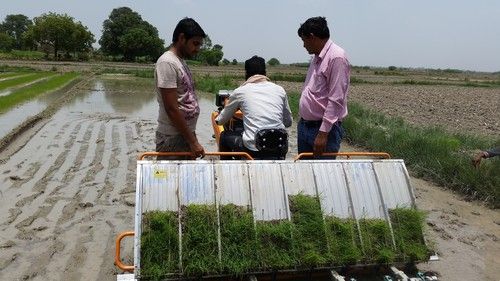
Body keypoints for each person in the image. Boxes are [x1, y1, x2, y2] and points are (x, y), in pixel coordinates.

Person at [215, 56, 293, 159]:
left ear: (246, 74)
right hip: (280, 147)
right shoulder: (280, 90)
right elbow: (288, 122)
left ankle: (228, 169)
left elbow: (220, 121)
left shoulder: (240, 92)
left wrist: (222, 114)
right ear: (265, 73)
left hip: (253, 149)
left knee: (224, 136)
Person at [297, 17, 350, 159]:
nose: (303, 45)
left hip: (322, 130)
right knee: (306, 175)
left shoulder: (336, 57)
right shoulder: (317, 57)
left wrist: (323, 133)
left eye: (304, 40)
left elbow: (336, 98)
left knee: (323, 177)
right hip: (306, 126)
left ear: (312, 37)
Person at [154, 18, 206, 160]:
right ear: (182, 38)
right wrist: (193, 142)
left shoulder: (180, 61)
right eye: (195, 44)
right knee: (170, 181)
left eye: (199, 45)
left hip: (184, 135)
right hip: (172, 138)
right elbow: (171, 108)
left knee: (185, 181)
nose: (197, 49)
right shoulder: (167, 62)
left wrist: (191, 138)